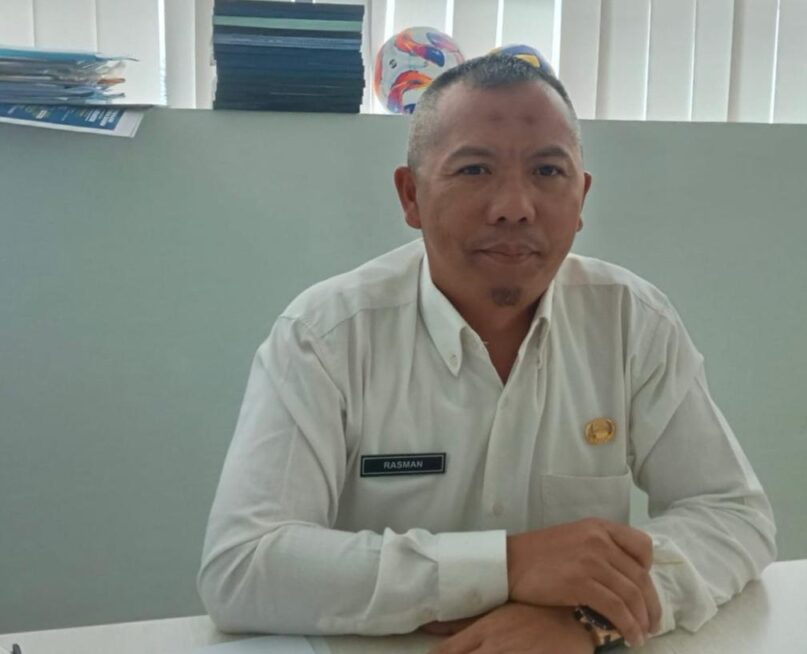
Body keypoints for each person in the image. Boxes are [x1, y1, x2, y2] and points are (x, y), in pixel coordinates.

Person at [197, 55, 776, 653]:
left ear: (581, 198)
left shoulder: (631, 320)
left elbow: (731, 514)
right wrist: (508, 565)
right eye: (475, 169)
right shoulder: (326, 336)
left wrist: (588, 620)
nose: (515, 206)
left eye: (548, 171)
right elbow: (244, 565)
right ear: (411, 195)